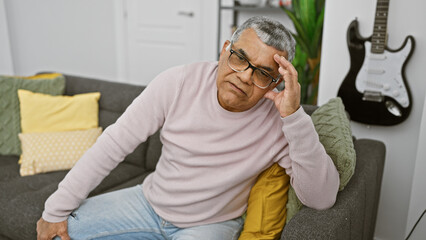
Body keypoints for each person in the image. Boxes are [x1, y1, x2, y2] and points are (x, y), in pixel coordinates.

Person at [37, 16, 339, 240]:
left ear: (277, 82)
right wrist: (54, 210)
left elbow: (321, 198)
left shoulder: (283, 122)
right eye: (240, 58)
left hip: (211, 225)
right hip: (147, 202)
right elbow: (112, 145)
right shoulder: (178, 82)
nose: (246, 77)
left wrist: (295, 116)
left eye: (262, 73)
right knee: (59, 232)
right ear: (225, 50)